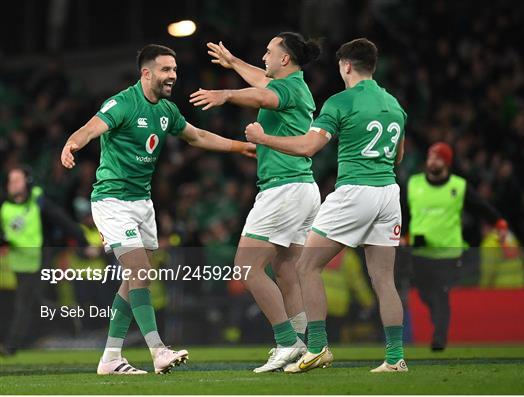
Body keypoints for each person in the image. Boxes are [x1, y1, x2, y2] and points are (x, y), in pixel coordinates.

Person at [60, 44, 255, 375]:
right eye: (166, 70)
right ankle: (158, 350)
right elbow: (93, 127)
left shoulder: (167, 109)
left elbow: (197, 136)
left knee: (137, 278)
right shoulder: (123, 103)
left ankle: (110, 358)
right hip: (113, 200)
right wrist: (72, 143)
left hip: (142, 203)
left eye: (175, 70)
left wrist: (238, 146)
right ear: (146, 73)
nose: (173, 76)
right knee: (139, 271)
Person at [245, 37, 409, 373]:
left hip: (354, 192)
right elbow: (399, 156)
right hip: (388, 193)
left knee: (306, 266)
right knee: (383, 280)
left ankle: (317, 347)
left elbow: (308, 147)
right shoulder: (395, 105)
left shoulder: (341, 102)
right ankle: (395, 358)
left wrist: (263, 139)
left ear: (346, 66)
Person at [189, 33, 322, 372]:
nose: (263, 56)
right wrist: (233, 63)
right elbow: (262, 82)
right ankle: (302, 346)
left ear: (285, 60)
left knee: (246, 267)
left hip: (283, 189)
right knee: (286, 270)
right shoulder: (296, 85)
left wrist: (226, 94)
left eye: (268, 51)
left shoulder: (286, 89)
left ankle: (287, 342)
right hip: (303, 188)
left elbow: (262, 95)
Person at [403, 142, 509, 351]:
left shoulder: (458, 186)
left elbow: (480, 206)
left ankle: (439, 338)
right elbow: (403, 213)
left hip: (448, 252)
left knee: (441, 293)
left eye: (438, 157)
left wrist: (499, 222)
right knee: (425, 294)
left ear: (447, 162)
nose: (432, 161)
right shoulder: (413, 183)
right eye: (430, 156)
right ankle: (438, 320)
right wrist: (402, 234)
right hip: (420, 251)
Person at [0, 166, 89, 356]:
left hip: (38, 259)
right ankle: (65, 315)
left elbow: (60, 219)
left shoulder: (38, 201)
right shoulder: (4, 205)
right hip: (17, 262)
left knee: (23, 302)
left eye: (17, 180)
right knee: (33, 302)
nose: (13, 184)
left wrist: (81, 239)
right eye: (10, 181)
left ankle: (11, 346)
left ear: (27, 182)